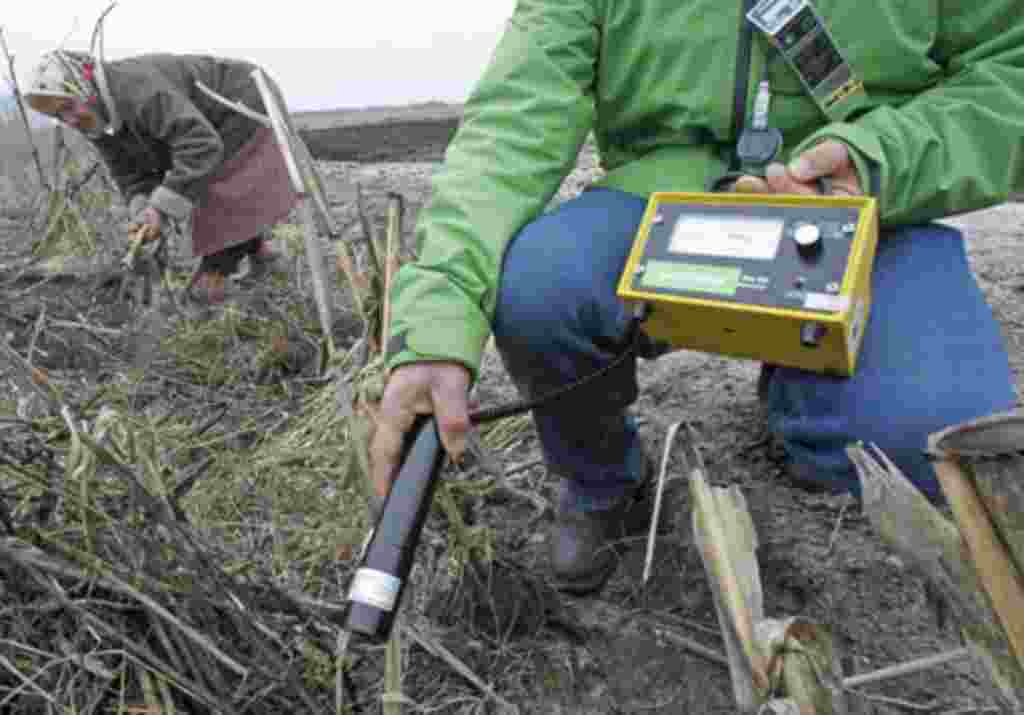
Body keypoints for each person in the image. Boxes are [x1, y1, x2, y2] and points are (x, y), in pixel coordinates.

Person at [370, 1, 1024, 594]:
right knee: (539, 290)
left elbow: (1008, 69)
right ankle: (603, 483)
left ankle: (803, 399)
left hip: (862, 198)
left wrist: (879, 160)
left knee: (927, 435)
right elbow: (512, 123)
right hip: (660, 194)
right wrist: (440, 313)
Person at [24, 50, 298, 304]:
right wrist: (142, 207)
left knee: (220, 188)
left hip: (242, 98)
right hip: (212, 120)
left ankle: (214, 278)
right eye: (60, 115)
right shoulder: (95, 117)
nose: (70, 120)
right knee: (200, 181)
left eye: (69, 107)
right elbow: (128, 172)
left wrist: (161, 208)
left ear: (85, 90)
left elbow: (200, 144)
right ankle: (264, 255)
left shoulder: (137, 90)